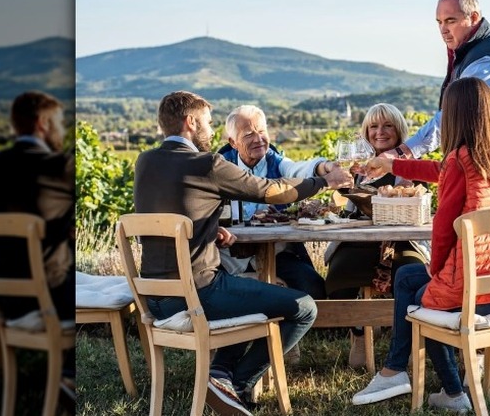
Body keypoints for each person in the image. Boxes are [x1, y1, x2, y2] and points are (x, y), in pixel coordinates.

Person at [133, 91, 352, 415]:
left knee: (242, 294)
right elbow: (271, 191)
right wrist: (322, 181)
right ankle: (235, 382)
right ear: (190, 123)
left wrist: (207, 232)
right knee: (303, 307)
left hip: (154, 298)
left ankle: (221, 375)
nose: (210, 131)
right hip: (198, 295)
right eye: (207, 123)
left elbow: (170, 217)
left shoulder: (145, 161)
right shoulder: (207, 164)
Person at [351, 78, 490, 413]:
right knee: (405, 278)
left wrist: (437, 272)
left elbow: (443, 231)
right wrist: (393, 164)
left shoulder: (460, 159)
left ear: (455, 117)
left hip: (474, 288)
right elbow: (442, 171)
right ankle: (397, 371)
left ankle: (446, 390)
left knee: (420, 301)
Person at [381, 0, 490, 194]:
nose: (443, 29)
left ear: (473, 17)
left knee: (479, 227)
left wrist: (403, 151)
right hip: (479, 167)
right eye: (439, 22)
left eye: (450, 20)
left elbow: (453, 115)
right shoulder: (469, 52)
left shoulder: (489, 59)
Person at [0, 90, 76, 400]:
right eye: (59, 123)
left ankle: (66, 372)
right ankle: (69, 373)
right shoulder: (59, 167)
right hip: (48, 301)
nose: (61, 131)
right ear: (42, 123)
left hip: (6, 299)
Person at [323, 103, 427, 368]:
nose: (379, 132)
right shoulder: (358, 165)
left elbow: (417, 211)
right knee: (337, 275)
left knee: (413, 272)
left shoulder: (411, 163)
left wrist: (401, 184)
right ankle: (359, 330)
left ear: (399, 129)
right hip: (360, 240)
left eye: (387, 125)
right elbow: (348, 211)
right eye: (373, 126)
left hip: (401, 241)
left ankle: (408, 337)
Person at [216, 105, 329, 300]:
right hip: (230, 257)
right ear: (233, 142)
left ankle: (287, 323)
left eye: (261, 131)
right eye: (249, 134)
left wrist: (321, 167)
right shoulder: (220, 166)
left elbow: (296, 171)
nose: (258, 139)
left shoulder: (276, 161)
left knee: (314, 288)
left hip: (277, 253)